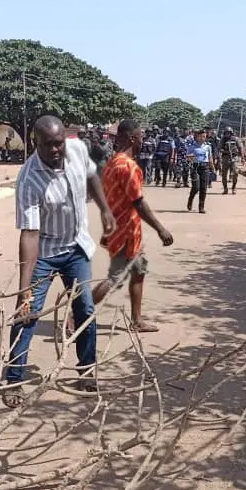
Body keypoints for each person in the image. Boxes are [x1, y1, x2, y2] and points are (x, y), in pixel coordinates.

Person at [6, 115, 117, 406]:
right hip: (44, 251)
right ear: (35, 143)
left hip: (76, 246)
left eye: (58, 144)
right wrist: (23, 290)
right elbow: (29, 235)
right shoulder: (29, 179)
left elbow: (92, 175)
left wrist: (105, 209)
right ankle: (14, 380)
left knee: (85, 309)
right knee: (27, 314)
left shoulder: (77, 149)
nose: (56, 150)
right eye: (48, 145)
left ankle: (87, 372)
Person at [92, 120, 174, 332]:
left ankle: (137, 321)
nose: (143, 140)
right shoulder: (128, 166)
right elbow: (138, 202)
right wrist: (160, 228)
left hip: (120, 228)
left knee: (138, 271)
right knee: (116, 278)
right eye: (140, 137)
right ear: (131, 138)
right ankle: (77, 313)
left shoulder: (112, 163)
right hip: (126, 231)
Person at [187, 130, 213, 213]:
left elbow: (210, 158)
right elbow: (188, 156)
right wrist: (190, 157)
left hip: (205, 167)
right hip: (195, 167)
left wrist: (212, 168)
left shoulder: (208, 147)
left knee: (203, 188)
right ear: (197, 137)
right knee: (196, 187)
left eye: (204, 136)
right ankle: (190, 199)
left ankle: (201, 206)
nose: (202, 138)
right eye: (200, 136)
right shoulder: (192, 146)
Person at [219, 127, 242, 194]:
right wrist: (225, 151)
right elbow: (220, 148)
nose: (227, 134)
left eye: (228, 133)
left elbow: (240, 147)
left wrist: (242, 157)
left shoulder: (236, 139)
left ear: (231, 133)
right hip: (225, 158)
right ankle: (225, 188)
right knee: (224, 174)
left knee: (235, 172)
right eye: (226, 133)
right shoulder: (223, 139)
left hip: (235, 157)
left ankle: (234, 187)